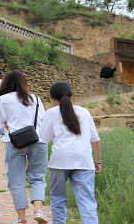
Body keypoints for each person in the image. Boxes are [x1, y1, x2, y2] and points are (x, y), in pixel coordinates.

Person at [39, 81, 101, 224]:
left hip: (60, 160)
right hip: (84, 160)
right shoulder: (84, 112)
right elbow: (95, 139)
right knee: (87, 202)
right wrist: (97, 161)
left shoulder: (51, 112)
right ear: (71, 95)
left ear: (53, 98)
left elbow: (44, 138)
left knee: (58, 199)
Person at [0, 71, 49, 224]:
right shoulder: (35, 98)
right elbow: (43, 120)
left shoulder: (3, 99)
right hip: (39, 140)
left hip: (16, 142)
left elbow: (0, 124)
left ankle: (21, 219)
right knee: (38, 177)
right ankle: (38, 210)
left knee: (16, 180)